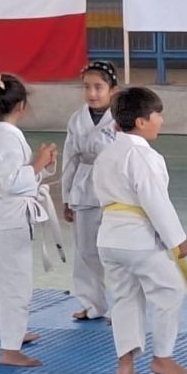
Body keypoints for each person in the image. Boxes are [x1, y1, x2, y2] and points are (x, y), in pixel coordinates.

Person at [92, 87, 187, 374]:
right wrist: (177, 239)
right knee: (170, 291)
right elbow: (155, 201)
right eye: (157, 114)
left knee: (124, 297)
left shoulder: (107, 154)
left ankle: (125, 364)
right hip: (137, 239)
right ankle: (162, 357)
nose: (161, 120)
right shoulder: (141, 155)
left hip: (109, 238)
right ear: (140, 121)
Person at [0, 73, 59, 367]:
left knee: (5, 283)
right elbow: (14, 181)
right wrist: (38, 163)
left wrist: (42, 164)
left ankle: (12, 334)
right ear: (21, 106)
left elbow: (3, 178)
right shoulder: (6, 138)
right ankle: (9, 349)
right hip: (11, 217)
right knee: (15, 284)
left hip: (4, 214)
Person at [61, 60, 121, 322]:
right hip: (84, 190)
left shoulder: (121, 119)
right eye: (87, 87)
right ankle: (92, 304)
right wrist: (66, 197)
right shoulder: (77, 119)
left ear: (113, 90)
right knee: (85, 251)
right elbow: (69, 159)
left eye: (99, 87)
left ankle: (122, 307)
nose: (92, 93)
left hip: (114, 193)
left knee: (114, 251)